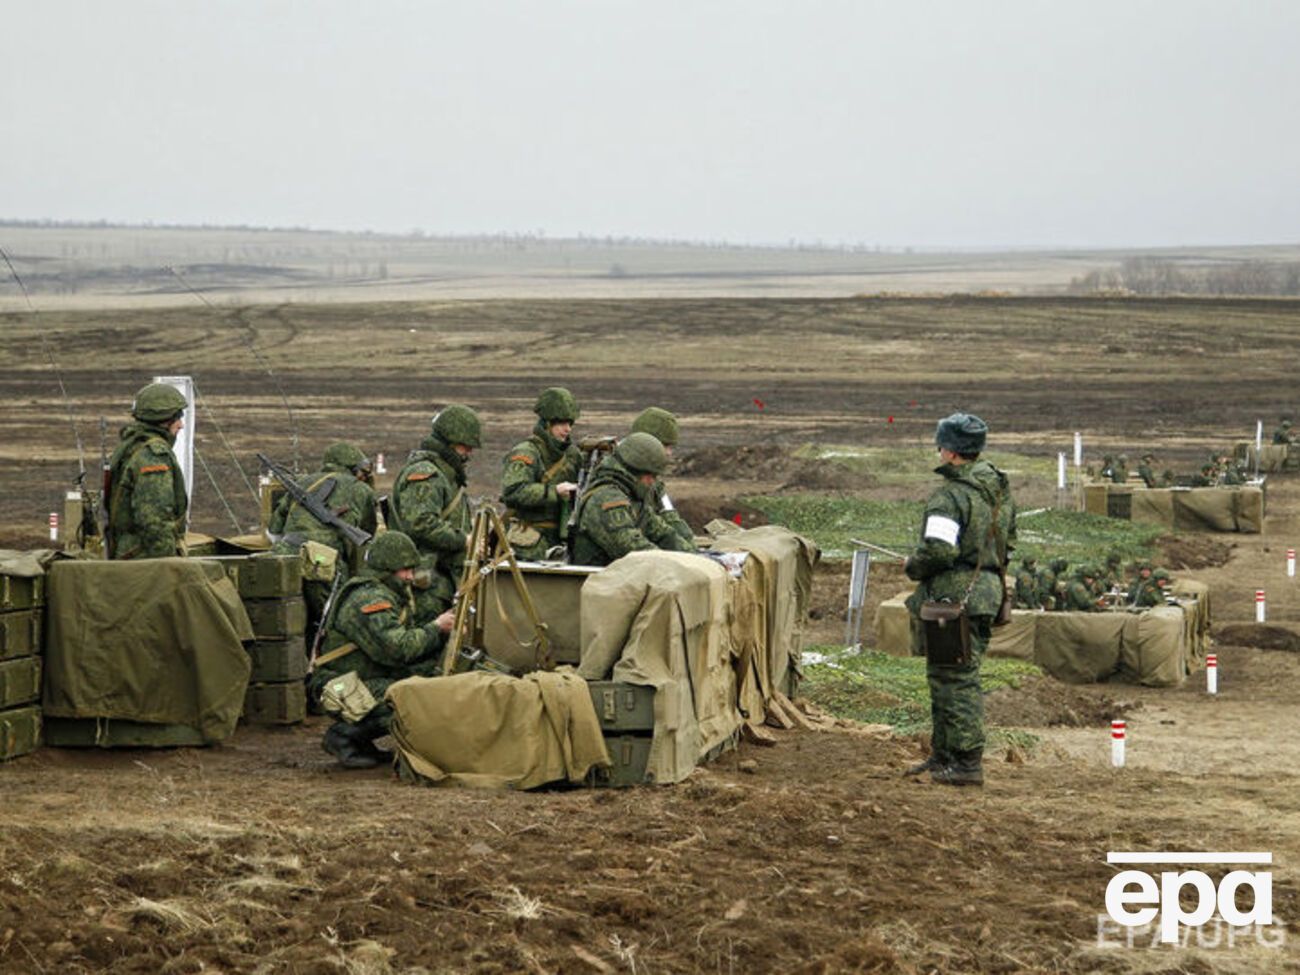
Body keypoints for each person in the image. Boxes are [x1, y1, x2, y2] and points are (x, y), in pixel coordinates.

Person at [903, 412, 1016, 787]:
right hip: (986, 593)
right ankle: (944, 756)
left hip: (953, 598)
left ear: (950, 452)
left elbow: (938, 551)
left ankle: (966, 762)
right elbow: (1009, 542)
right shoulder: (998, 491)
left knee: (955, 678)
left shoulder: (950, 496)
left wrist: (913, 566)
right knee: (948, 675)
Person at [311, 531, 454, 769]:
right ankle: (343, 735)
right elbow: (398, 648)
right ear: (387, 569)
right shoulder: (368, 599)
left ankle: (360, 741)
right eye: (404, 570)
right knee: (412, 696)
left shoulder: (386, 592)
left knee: (432, 679)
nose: (409, 577)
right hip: (341, 684)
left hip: (364, 675)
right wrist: (437, 628)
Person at [268, 442, 378, 640]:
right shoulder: (361, 490)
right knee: (334, 622)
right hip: (323, 562)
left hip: (284, 555)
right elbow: (368, 533)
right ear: (353, 467)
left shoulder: (303, 483)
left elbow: (274, 529)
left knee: (284, 620)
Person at [388, 405, 480, 624]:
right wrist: (465, 540)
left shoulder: (444, 474)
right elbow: (421, 523)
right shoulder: (426, 475)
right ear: (449, 442)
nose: (469, 452)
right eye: (464, 446)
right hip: (426, 579)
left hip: (440, 573)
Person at [572, 433, 698, 567]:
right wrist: (674, 565)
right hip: (595, 583)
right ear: (633, 471)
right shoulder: (606, 499)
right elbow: (633, 550)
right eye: (649, 475)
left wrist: (693, 557)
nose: (652, 482)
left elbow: (662, 533)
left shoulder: (634, 498)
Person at [105, 382, 189, 560]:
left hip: (133, 554)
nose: (180, 425)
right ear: (163, 420)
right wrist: (169, 563)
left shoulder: (133, 445)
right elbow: (154, 520)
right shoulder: (153, 456)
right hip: (144, 559)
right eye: (177, 417)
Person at [500, 387, 582, 560]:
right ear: (547, 424)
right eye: (561, 423)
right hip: (528, 544)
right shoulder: (526, 453)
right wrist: (554, 492)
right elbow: (513, 492)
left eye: (570, 424)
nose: (567, 429)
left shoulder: (572, 455)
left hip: (562, 540)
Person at [630, 406, 694, 546]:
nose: (669, 453)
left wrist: (690, 547)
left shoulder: (654, 483)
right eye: (665, 446)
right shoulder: (619, 479)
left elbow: (670, 516)